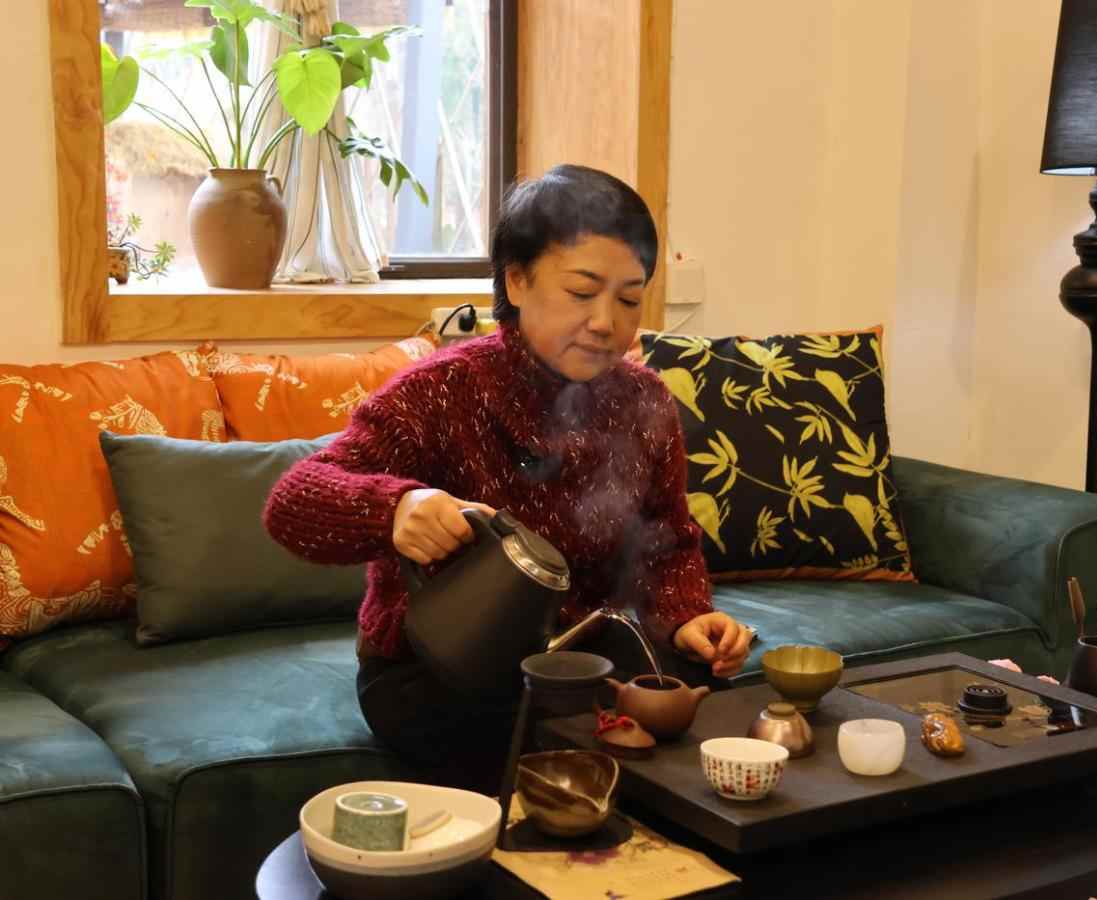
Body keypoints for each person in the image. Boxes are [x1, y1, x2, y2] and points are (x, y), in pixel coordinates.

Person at [264, 164, 752, 791]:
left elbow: (668, 538)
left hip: (578, 654)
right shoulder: (442, 391)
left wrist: (687, 616)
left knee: (703, 695)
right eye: (582, 292)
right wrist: (395, 508)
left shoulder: (644, 400)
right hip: (437, 665)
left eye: (629, 299)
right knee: (538, 727)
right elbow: (293, 503)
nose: (606, 321)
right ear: (517, 280)